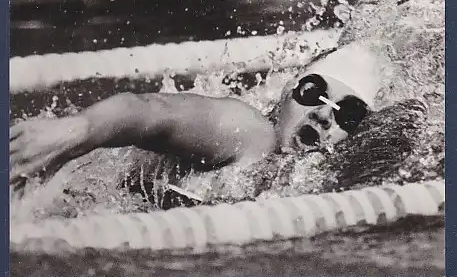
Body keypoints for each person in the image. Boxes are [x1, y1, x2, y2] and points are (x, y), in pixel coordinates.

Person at [9, 42, 382, 202]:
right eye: (314, 93)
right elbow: (151, 112)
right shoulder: (251, 132)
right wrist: (74, 130)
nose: (323, 113)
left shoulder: (313, 178)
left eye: (347, 113)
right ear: (286, 92)